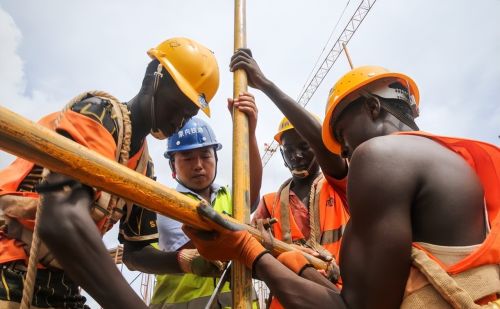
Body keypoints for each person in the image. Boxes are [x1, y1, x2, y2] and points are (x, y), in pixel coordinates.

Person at [183, 65, 500, 308]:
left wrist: (250, 254)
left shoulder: (380, 158)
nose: (343, 149)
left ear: (373, 108)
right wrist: (301, 267)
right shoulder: (451, 160)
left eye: (342, 133)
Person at [0, 37, 219, 309]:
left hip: (62, 281)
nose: (178, 121)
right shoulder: (99, 114)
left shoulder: (142, 166)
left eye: (188, 114)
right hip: (10, 265)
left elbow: (135, 253)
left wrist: (187, 262)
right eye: (177, 105)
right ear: (152, 78)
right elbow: (60, 220)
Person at [231, 49, 349, 308]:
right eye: (288, 150)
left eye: (305, 146)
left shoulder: (342, 185)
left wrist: (265, 84)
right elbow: (249, 251)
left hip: (340, 296)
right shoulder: (270, 203)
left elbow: (328, 150)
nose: (296, 155)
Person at [123, 93, 262, 308]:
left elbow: (249, 195)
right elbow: (207, 242)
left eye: (205, 155)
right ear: (173, 166)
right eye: (187, 158)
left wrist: (248, 133)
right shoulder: (164, 203)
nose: (198, 165)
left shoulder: (228, 196)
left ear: (215, 158)